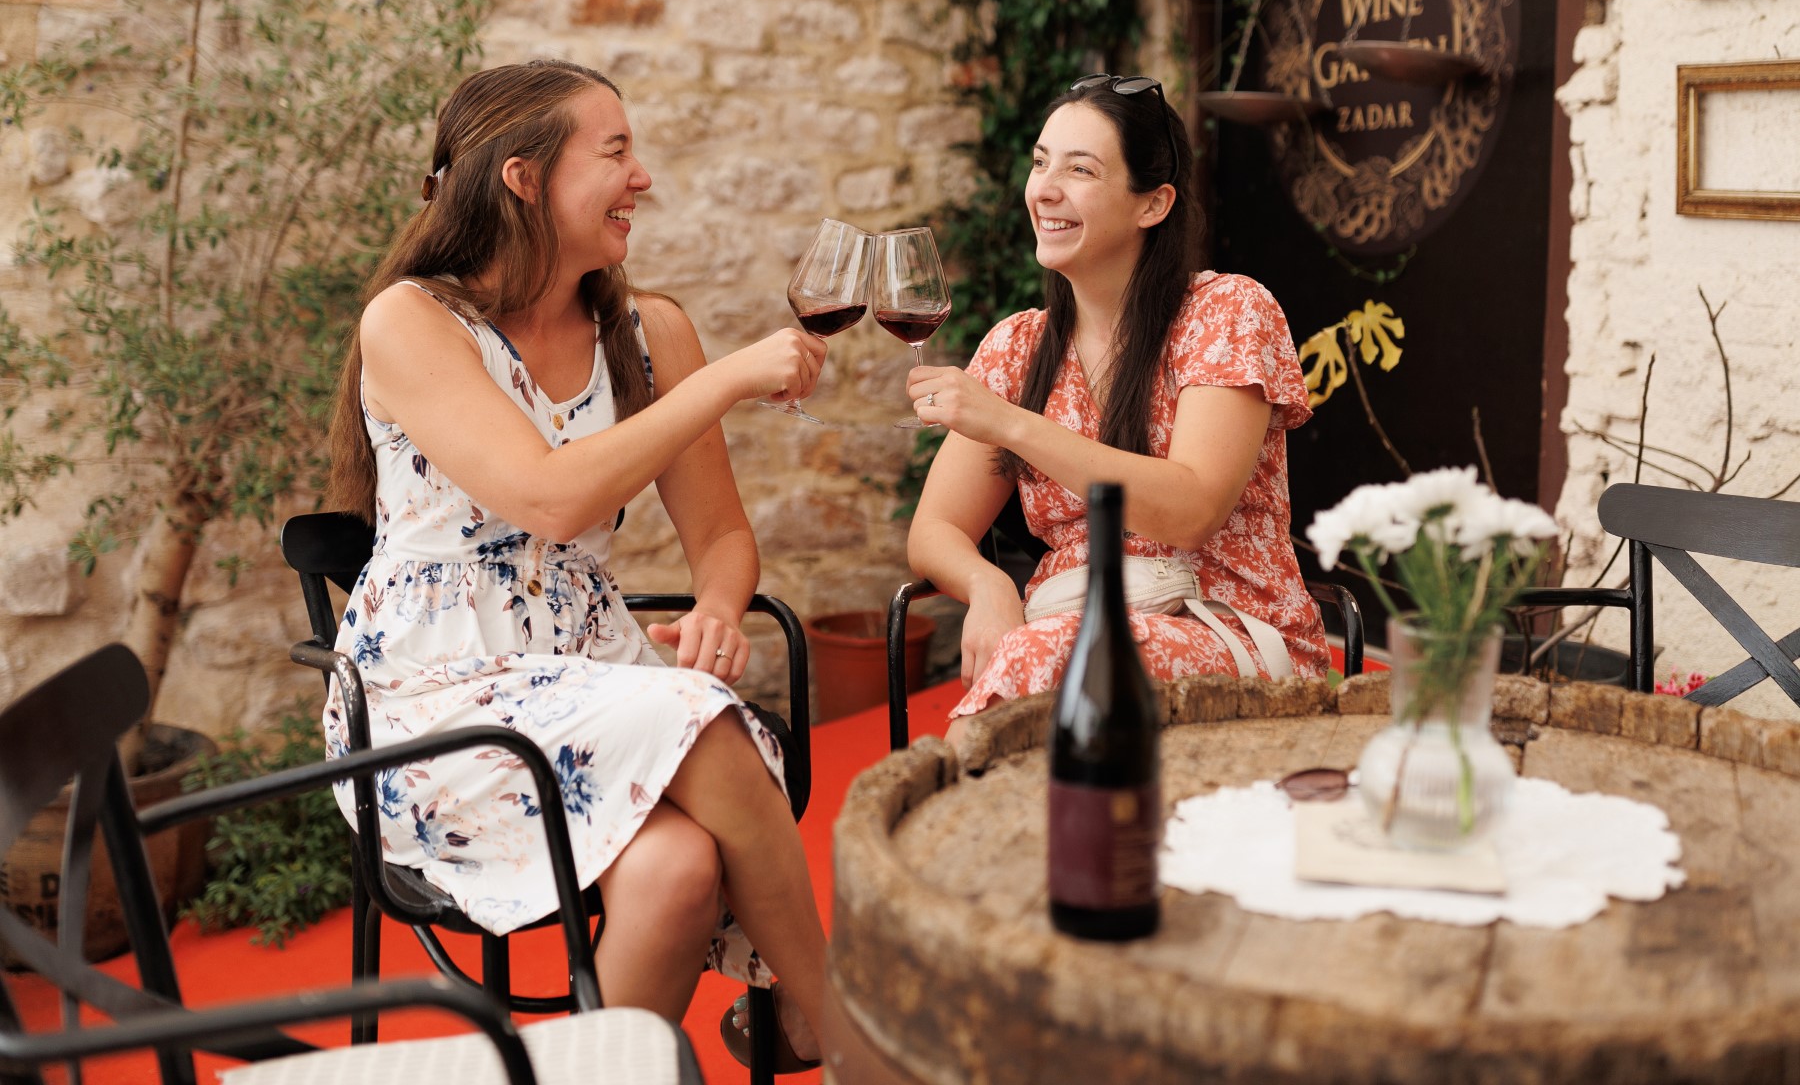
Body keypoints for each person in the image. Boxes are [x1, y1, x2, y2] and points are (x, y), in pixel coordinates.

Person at [322, 60, 823, 1070]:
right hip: (437, 704)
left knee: (679, 870)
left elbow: (723, 537)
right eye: (615, 152)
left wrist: (720, 607)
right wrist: (726, 381)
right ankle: (842, 1025)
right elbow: (549, 496)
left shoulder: (649, 333)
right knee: (701, 717)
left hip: (591, 677)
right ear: (523, 178)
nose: (642, 177)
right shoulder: (410, 322)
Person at [904, 74, 1330, 744]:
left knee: (1049, 663)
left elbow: (1191, 510)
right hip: (1064, 625)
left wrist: (1011, 423)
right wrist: (989, 587)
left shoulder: (1225, 312)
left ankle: (956, 796)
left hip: (1227, 627)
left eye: (1080, 170)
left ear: (1153, 204)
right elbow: (934, 530)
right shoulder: (1018, 347)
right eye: (1041, 162)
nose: (1045, 190)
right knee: (1052, 659)